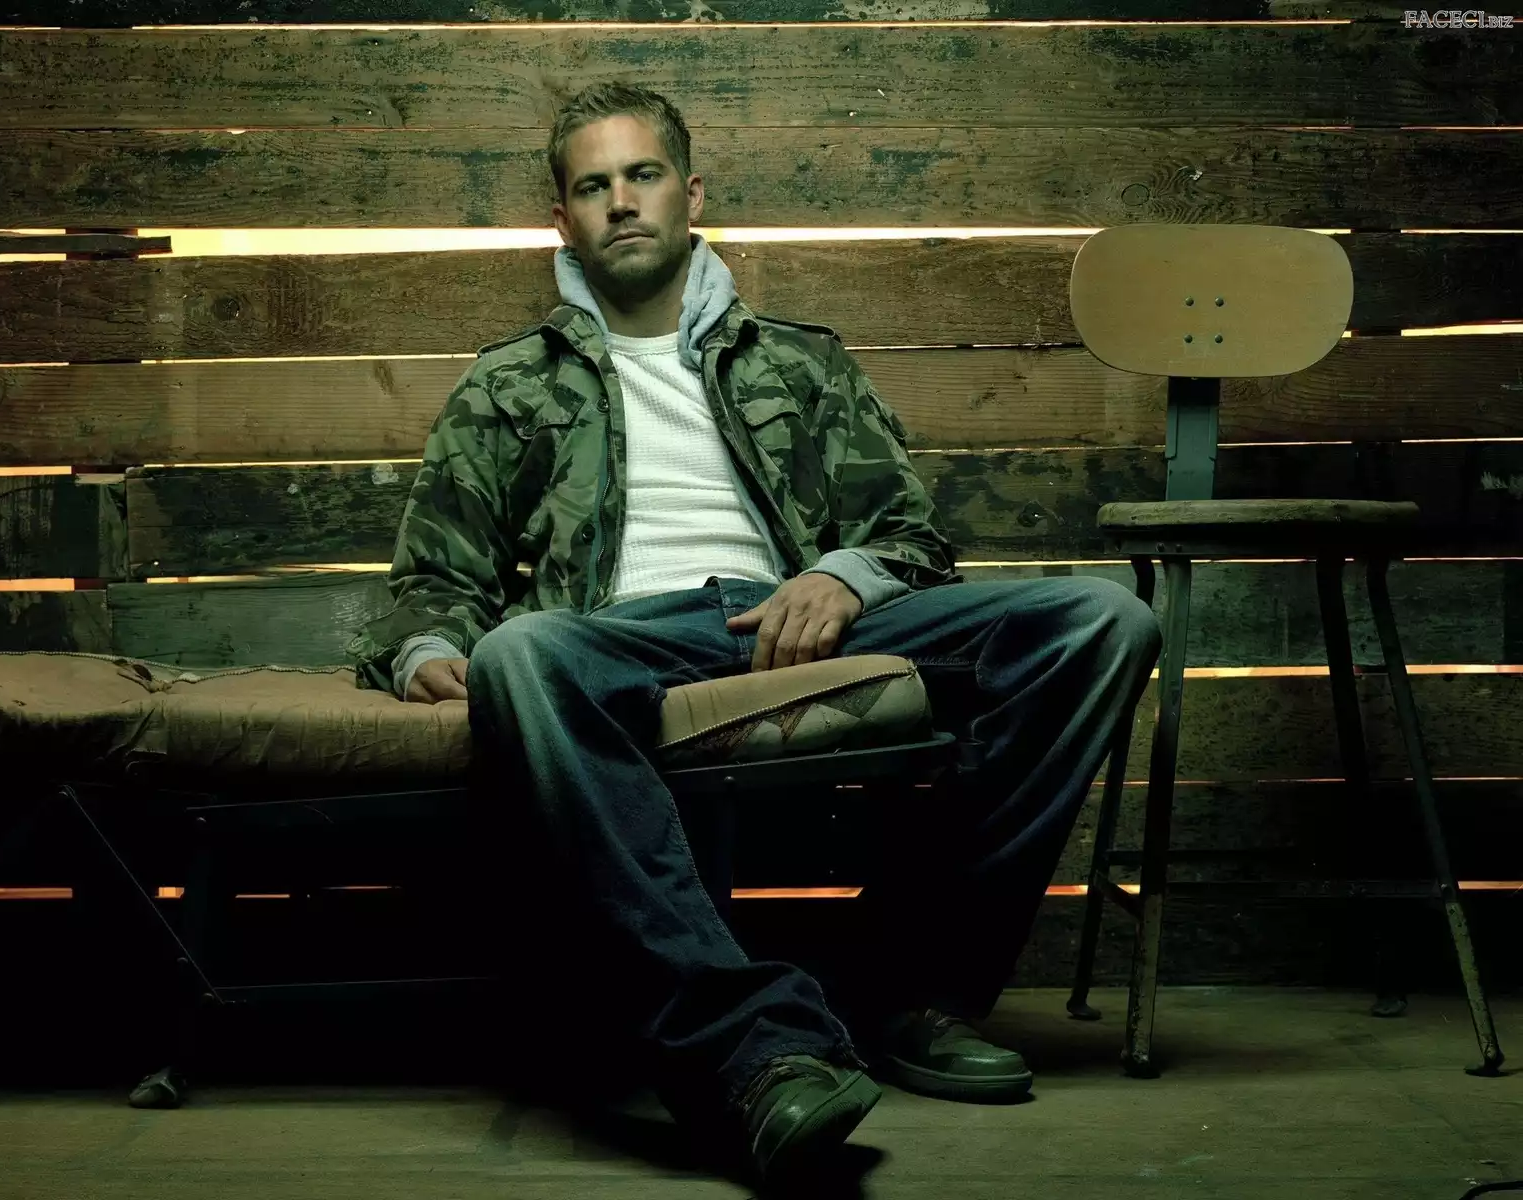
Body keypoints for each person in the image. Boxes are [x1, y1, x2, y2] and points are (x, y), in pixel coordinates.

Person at [346, 81, 1161, 1185]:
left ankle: (909, 993)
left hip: (801, 623)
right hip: (625, 638)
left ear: (691, 195)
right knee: (518, 653)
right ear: (563, 220)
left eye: (642, 175)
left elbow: (909, 534)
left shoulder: (799, 362)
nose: (620, 202)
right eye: (592, 186)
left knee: (1100, 620)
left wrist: (840, 577)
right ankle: (751, 1052)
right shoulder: (509, 384)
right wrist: (429, 651)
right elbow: (432, 579)